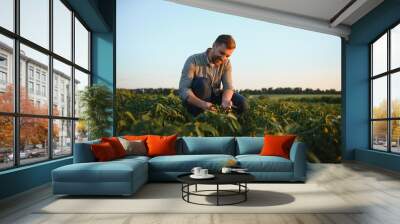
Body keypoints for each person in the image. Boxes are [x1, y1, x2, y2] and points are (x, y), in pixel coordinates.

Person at [178, 34, 248, 116]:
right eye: (221, 53)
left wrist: (225, 101)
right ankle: (199, 119)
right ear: (214, 46)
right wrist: (203, 104)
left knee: (242, 103)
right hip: (196, 100)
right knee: (202, 83)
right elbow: (184, 89)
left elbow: (228, 86)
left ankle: (228, 124)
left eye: (227, 56)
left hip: (214, 96)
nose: (223, 58)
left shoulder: (226, 63)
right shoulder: (193, 60)